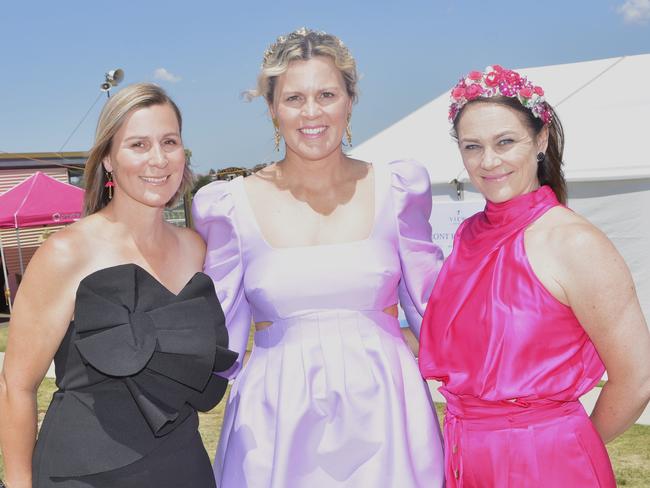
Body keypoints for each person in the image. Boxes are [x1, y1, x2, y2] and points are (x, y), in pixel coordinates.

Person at [192, 28, 445, 487]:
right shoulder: (229, 207)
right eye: (294, 98)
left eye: (326, 94)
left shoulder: (398, 190)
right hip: (276, 423)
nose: (311, 113)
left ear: (350, 99)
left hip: (387, 413)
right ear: (272, 108)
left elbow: (440, 314)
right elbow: (215, 338)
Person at [419, 65, 650, 487]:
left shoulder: (574, 242)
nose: (488, 161)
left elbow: (638, 377)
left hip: (546, 463)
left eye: (505, 142)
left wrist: (565, 444)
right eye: (473, 147)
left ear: (540, 140)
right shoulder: (469, 235)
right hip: (461, 456)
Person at [0, 83, 236, 488]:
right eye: (138, 145)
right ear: (108, 159)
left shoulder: (196, 249)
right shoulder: (66, 253)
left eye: (169, 142)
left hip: (184, 469)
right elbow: (17, 386)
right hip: (83, 474)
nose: (158, 159)